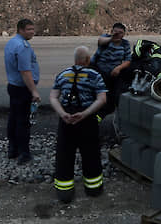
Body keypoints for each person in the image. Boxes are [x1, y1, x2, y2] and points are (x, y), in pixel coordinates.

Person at [50, 46, 108, 203]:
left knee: (64, 155)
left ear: (75, 60)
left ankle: (65, 193)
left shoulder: (63, 74)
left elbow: (53, 97)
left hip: (66, 121)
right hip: (87, 121)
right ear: (87, 60)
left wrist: (63, 114)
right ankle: (94, 189)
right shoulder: (94, 75)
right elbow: (102, 99)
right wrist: (84, 114)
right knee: (91, 154)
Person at [4, 18, 40, 165]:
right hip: (23, 89)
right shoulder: (23, 46)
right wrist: (34, 91)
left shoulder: (11, 42)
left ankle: (12, 149)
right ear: (20, 30)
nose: (32, 32)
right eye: (29, 29)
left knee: (13, 119)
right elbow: (25, 71)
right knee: (23, 122)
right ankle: (24, 153)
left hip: (13, 86)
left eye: (33, 29)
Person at [90, 22, 132, 117]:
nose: (117, 34)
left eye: (120, 33)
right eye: (115, 32)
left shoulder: (125, 44)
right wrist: (111, 38)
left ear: (123, 34)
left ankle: (104, 112)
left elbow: (128, 60)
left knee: (115, 94)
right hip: (99, 69)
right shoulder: (106, 38)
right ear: (111, 31)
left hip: (113, 72)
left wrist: (119, 68)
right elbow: (100, 41)